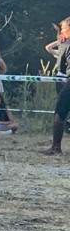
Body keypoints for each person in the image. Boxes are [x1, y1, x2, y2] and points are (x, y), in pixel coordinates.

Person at [42, 16, 70, 155]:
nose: (62, 31)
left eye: (64, 28)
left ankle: (56, 147)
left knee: (60, 112)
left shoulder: (68, 43)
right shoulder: (65, 42)